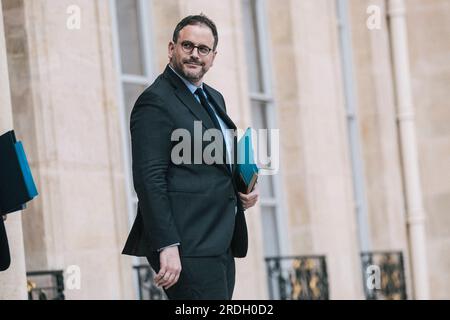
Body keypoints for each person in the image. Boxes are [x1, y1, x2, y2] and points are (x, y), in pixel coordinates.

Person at [122, 14, 259, 300]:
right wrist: (167, 245)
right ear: (172, 48)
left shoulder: (214, 97)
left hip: (220, 242)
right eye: (187, 46)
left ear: (213, 56)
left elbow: (212, 164)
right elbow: (150, 180)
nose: (195, 55)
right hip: (187, 248)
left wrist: (242, 190)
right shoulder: (155, 101)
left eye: (203, 49)